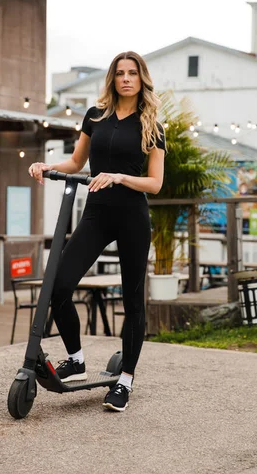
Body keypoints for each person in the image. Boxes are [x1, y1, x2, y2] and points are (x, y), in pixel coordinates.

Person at [28, 51, 166, 412]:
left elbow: (155, 184)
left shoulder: (152, 124)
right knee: (58, 284)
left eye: (132, 73)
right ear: (112, 78)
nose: (125, 79)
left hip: (132, 216)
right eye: (119, 73)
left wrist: (120, 177)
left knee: (134, 301)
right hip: (97, 214)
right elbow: (77, 162)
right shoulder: (95, 116)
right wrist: (48, 166)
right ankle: (75, 359)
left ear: (141, 78)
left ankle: (125, 381)